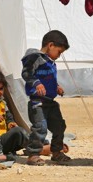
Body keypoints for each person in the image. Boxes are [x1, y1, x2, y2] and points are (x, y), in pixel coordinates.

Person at [21, 30, 71, 165]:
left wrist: (56, 86)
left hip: (50, 101)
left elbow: (47, 78)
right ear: (50, 45)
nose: (59, 56)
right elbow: (26, 73)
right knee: (40, 127)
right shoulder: (35, 58)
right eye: (59, 52)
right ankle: (33, 154)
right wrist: (36, 83)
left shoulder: (50, 62)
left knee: (59, 126)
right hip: (37, 102)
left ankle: (56, 152)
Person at [0, 70, 29, 160]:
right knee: (19, 132)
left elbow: (9, 117)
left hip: (3, 139)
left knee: (20, 132)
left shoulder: (3, 103)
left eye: (1, 89)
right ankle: (37, 149)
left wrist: (10, 123)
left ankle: (39, 145)